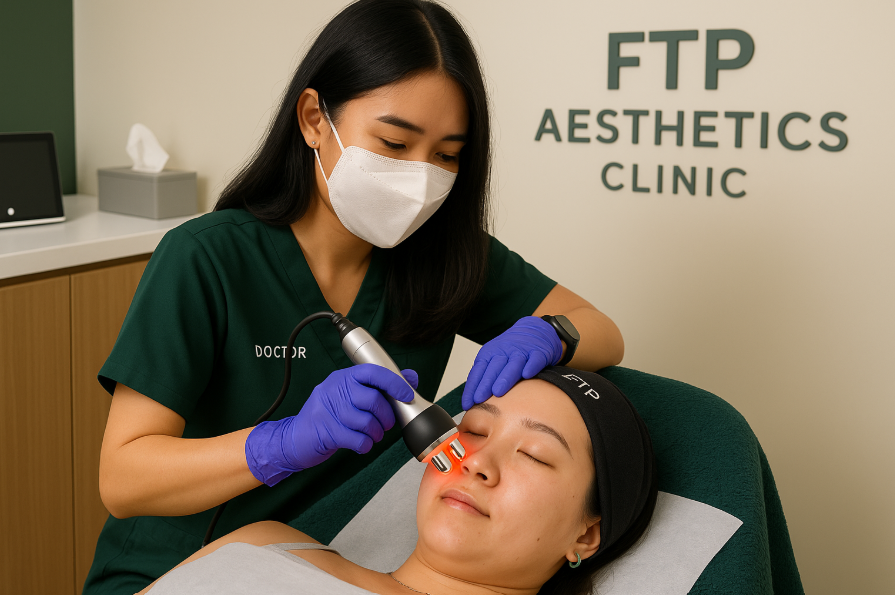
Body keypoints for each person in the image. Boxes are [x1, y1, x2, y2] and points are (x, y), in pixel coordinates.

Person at [84, 1, 625, 593]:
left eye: (446, 155)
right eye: (394, 142)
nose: (420, 177)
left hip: (338, 561)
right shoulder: (207, 258)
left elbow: (601, 330)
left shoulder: (446, 257)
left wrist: (552, 333)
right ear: (315, 119)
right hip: (175, 571)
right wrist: (283, 444)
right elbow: (123, 480)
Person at [138, 370, 658, 595]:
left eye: (535, 456)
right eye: (475, 430)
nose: (477, 462)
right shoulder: (266, 540)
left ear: (586, 534)